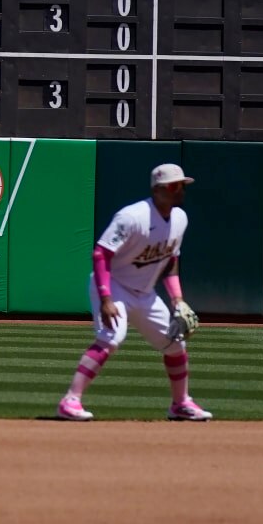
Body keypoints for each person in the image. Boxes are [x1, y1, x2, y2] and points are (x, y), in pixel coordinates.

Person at [56, 164, 210, 423]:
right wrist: (105, 298)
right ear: (159, 189)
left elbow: (171, 262)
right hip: (114, 285)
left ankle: (180, 404)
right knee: (112, 337)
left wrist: (178, 300)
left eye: (182, 185)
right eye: (175, 185)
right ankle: (70, 400)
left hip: (145, 293)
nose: (180, 190)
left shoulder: (180, 219)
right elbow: (101, 254)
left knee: (176, 346)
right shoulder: (132, 217)